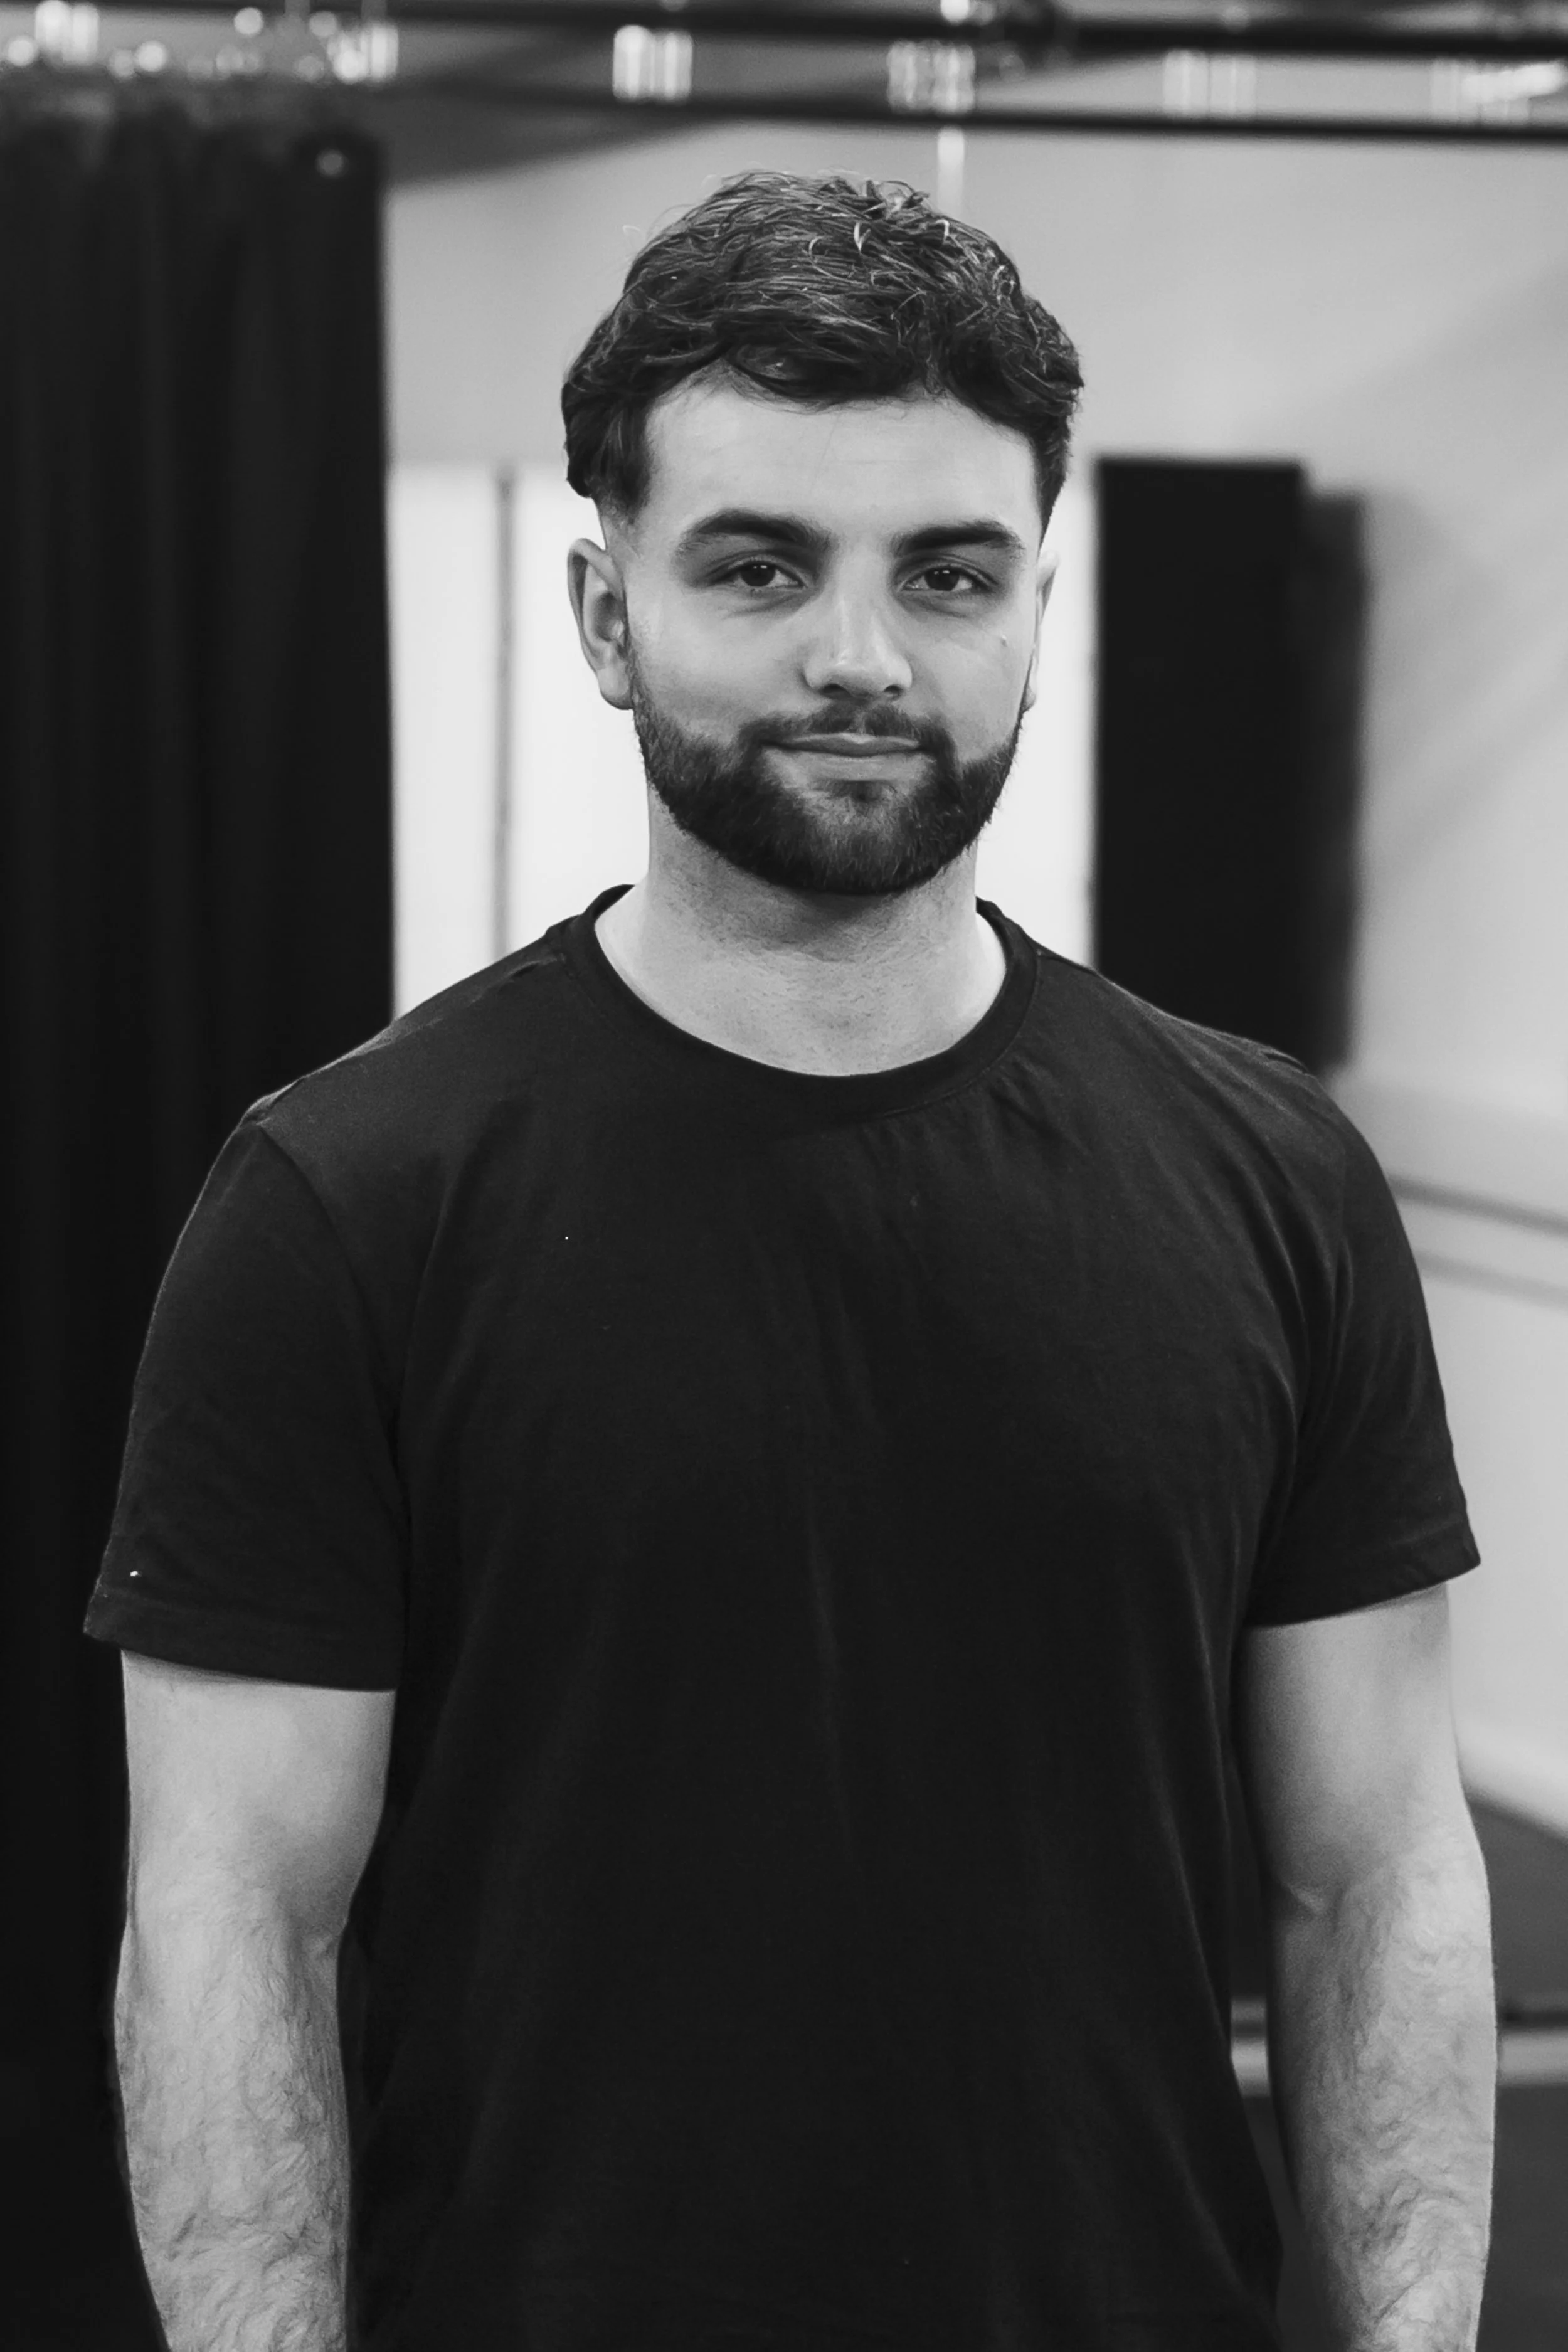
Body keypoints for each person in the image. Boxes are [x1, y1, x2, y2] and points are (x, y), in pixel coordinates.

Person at [87, 169, 1496, 2352]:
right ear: (603, 613)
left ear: (1040, 600)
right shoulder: (343, 1204)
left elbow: (1375, 1873)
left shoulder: (1272, 1178)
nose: (862, 654)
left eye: (948, 573)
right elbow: (228, 1924)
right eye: (759, 567)